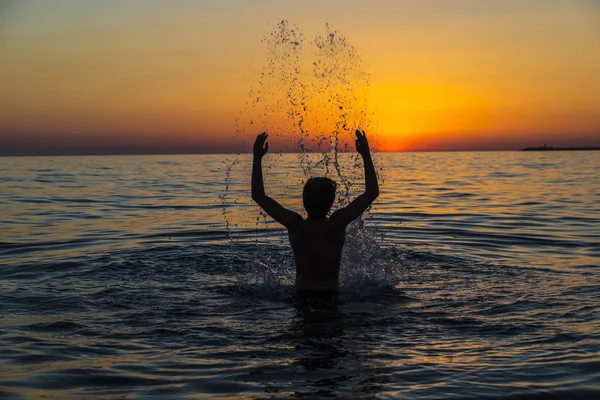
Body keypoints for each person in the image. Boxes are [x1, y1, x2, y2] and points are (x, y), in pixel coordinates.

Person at [251, 130, 379, 296]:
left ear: (303, 201)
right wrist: (365, 155)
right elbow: (371, 193)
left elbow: (258, 196)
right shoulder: (337, 223)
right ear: (331, 202)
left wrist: (257, 157)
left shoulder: (296, 225)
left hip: (302, 298)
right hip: (331, 298)